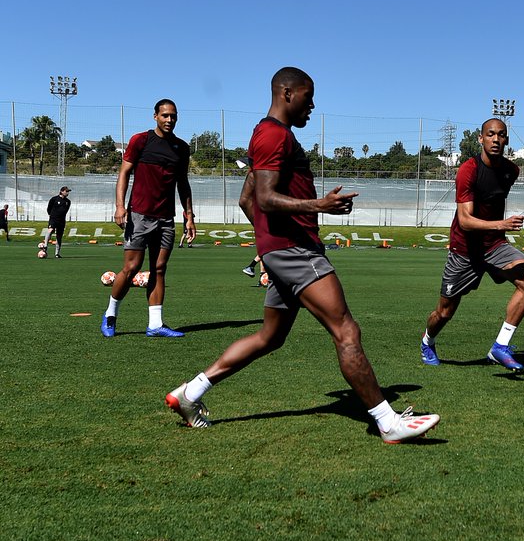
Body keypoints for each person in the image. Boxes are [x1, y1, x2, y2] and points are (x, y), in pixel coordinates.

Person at [165, 67, 439, 443]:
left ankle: (189, 393)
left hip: (284, 250)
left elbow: (247, 199)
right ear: (288, 93)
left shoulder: (268, 134)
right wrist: (317, 207)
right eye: (309, 98)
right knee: (346, 330)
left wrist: (268, 244)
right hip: (296, 251)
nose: (312, 105)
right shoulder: (275, 135)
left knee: (269, 338)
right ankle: (387, 422)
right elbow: (263, 198)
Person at [419, 118, 524, 371]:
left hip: (495, 246)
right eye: (490, 134)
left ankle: (500, 346)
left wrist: (499, 229)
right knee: (443, 313)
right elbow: (465, 221)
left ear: (507, 139)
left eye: (501, 135)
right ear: (481, 138)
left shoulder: (511, 171)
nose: (496, 139)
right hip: (465, 250)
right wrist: (501, 224)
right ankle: (427, 341)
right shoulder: (468, 170)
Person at [101, 99, 196, 339]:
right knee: (131, 267)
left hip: (166, 219)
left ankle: (155, 324)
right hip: (139, 215)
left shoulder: (181, 148)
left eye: (173, 116)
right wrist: (120, 207)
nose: (169, 120)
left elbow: (183, 184)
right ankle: (111, 314)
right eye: (165, 115)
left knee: (159, 269)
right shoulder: (140, 141)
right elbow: (124, 173)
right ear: (155, 116)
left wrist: (189, 216)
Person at [45, 186, 71, 257]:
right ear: (62, 191)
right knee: (50, 230)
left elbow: (65, 210)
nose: (67, 193)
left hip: (62, 220)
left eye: (68, 191)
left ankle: (57, 253)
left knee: (59, 237)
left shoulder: (68, 201)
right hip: (53, 219)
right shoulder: (54, 199)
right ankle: (45, 246)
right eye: (66, 191)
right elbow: (49, 208)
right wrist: (52, 215)